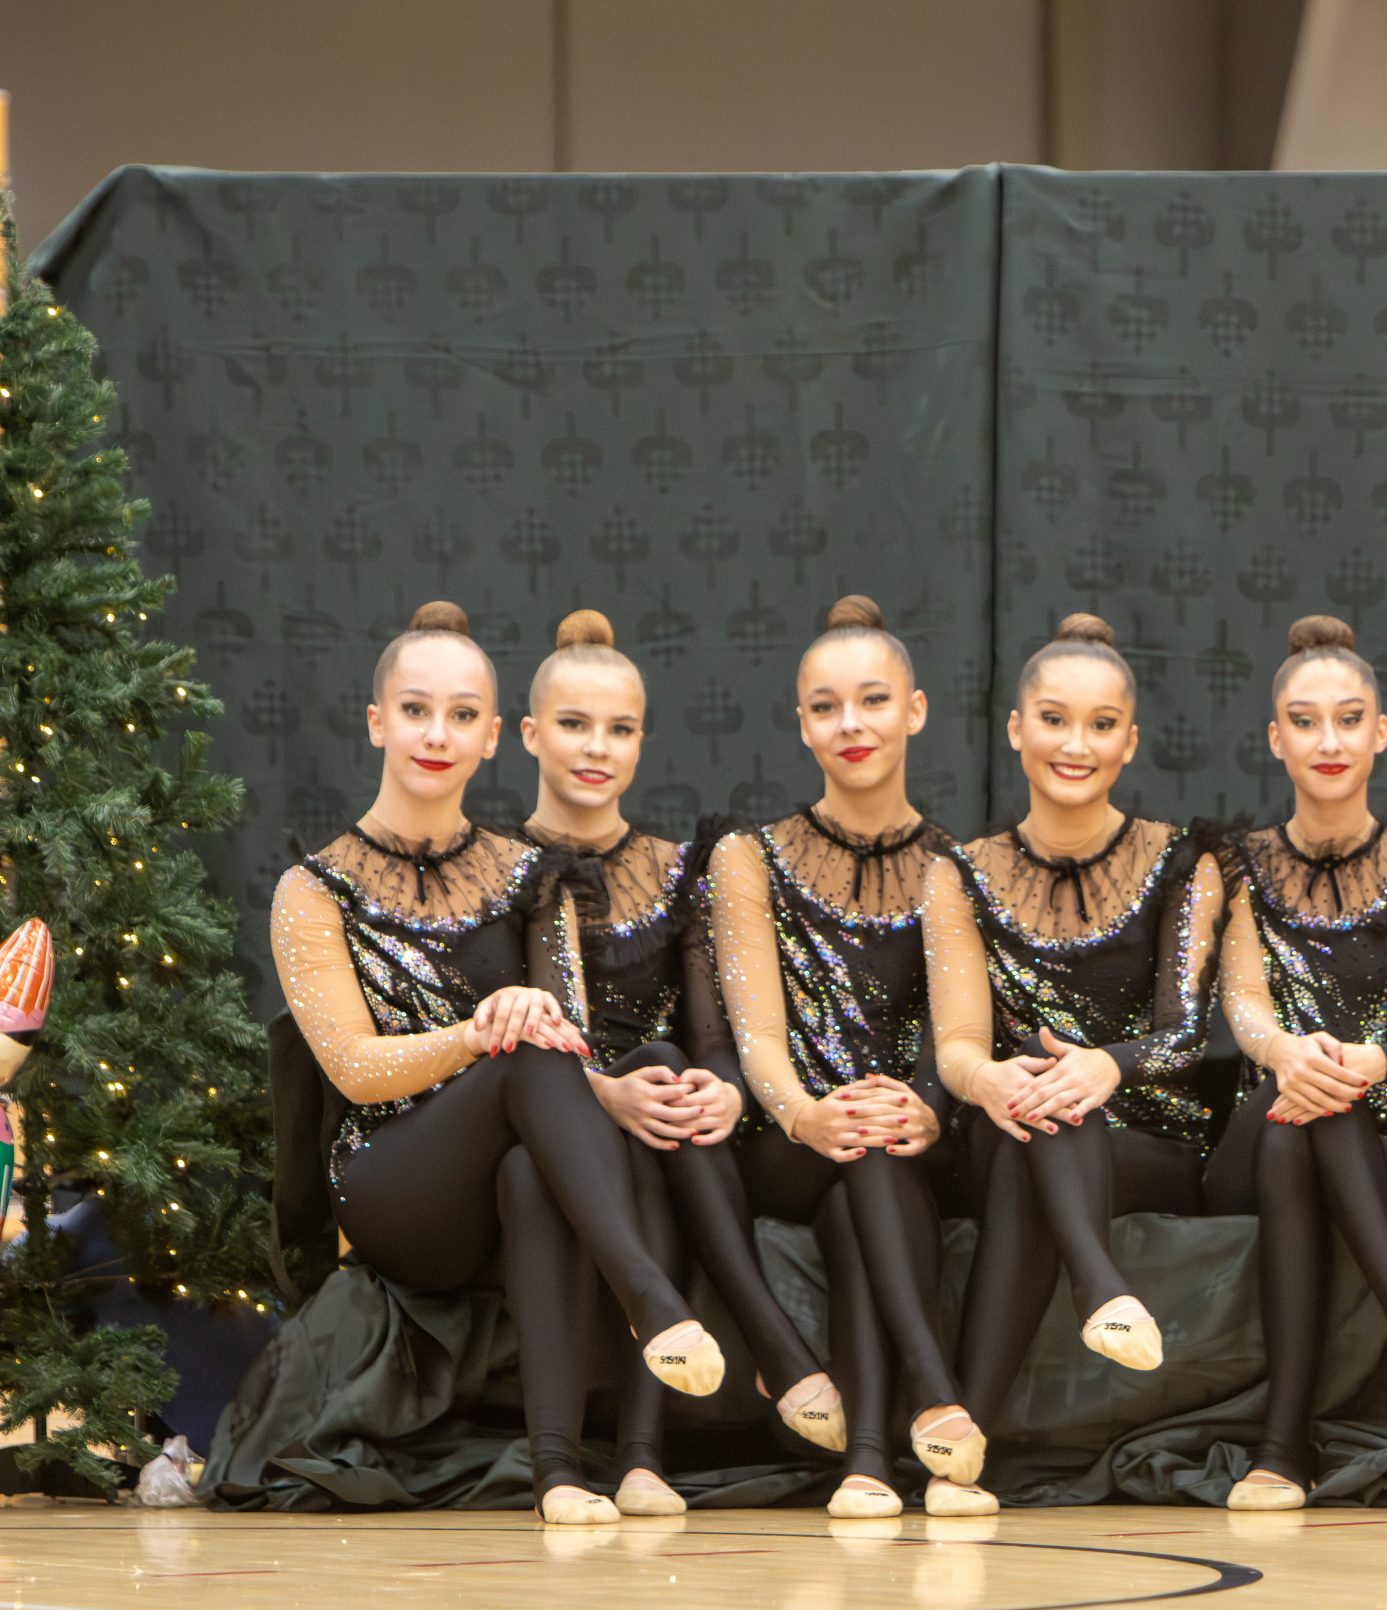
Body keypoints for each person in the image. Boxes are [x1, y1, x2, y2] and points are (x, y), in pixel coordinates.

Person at [268, 602, 722, 1528]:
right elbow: (352, 1069)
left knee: (539, 1135)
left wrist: (607, 1086)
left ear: (491, 737)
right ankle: (648, 1295)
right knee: (522, 1043)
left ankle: (563, 1472)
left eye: (462, 715)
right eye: (416, 711)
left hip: (504, 1168)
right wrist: (476, 1035)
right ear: (377, 722)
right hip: (393, 1185)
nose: (437, 734)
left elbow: (569, 1040)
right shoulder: (313, 887)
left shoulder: (534, 875)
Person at [689, 595, 985, 1518]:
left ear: (915, 710)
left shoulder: (956, 864)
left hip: (907, 1136)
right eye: (827, 707)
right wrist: (803, 1111)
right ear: (802, 722)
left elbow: (960, 1032)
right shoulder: (750, 856)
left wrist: (929, 1104)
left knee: (875, 1166)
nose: (851, 724)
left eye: (872, 701)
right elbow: (757, 1035)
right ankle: (934, 1401)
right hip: (790, 1135)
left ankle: (865, 1464)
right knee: (858, 1146)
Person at [926, 614, 1224, 1511]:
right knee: (1033, 1102)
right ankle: (1102, 1291)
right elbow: (957, 1044)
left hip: (1147, 1137)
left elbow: (1191, 1032)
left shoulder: (1182, 860)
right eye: (1055, 720)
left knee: (1050, 1122)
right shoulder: (961, 871)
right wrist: (988, 1078)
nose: (1075, 744)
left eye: (1101, 725)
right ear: (1016, 728)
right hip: (1008, 1121)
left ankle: (959, 1445)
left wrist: (1110, 1067)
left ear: (1129, 740)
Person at [1209, 614, 1387, 1511]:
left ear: (1381, 731)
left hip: (1385, 1137)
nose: (1328, 741)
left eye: (1348, 719)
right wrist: (1287, 1053)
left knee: (1312, 1122)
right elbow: (1244, 1002)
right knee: (1292, 1115)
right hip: (1256, 1123)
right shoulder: (1239, 865)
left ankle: (1282, 1449)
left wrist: (1355, 1063)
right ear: (1275, 738)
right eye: (1305, 721)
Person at [507, 610, 744, 1521]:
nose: (596, 748)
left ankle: (644, 1459)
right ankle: (559, 1466)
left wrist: (723, 1088)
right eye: (574, 724)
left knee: (670, 1074)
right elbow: (512, 1034)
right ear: (531, 733)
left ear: (643, 739)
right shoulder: (499, 867)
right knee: (534, 1164)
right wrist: (600, 1093)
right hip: (545, 1127)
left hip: (655, 1120)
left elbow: (711, 1033)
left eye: (620, 728)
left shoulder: (678, 871)